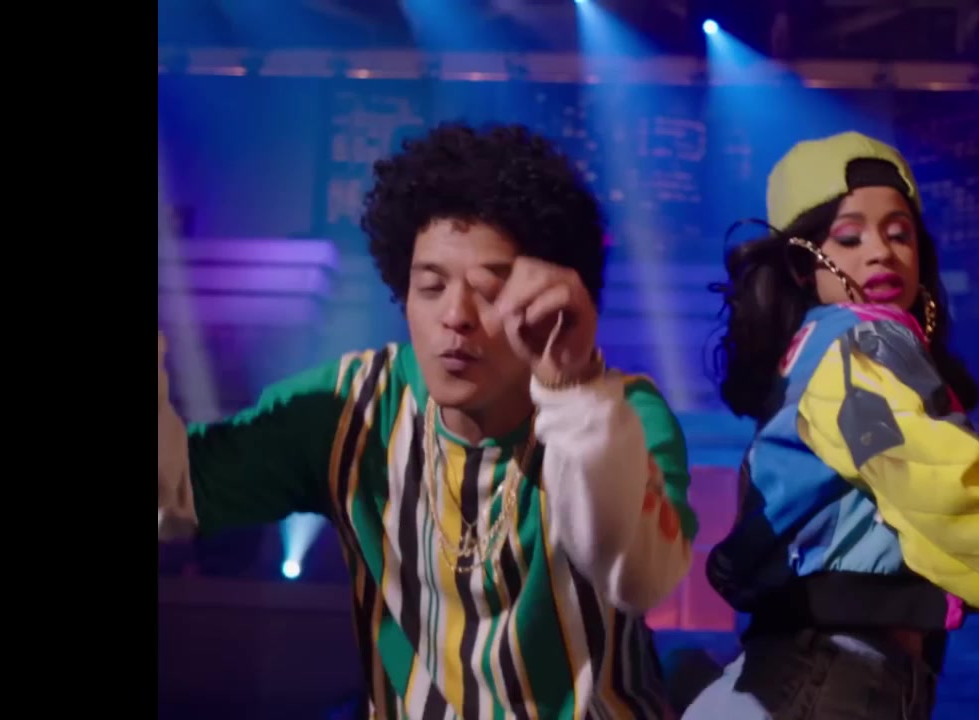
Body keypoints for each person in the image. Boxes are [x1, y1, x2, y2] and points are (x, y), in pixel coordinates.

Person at [157, 122, 699, 719]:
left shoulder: (618, 414)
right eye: (431, 286)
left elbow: (640, 578)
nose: (455, 316)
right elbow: (172, 498)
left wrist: (573, 393)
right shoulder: (353, 407)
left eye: (490, 290)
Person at [684, 131, 979, 720]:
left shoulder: (833, 356)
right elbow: (944, 505)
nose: (881, 253)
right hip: (830, 682)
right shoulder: (855, 352)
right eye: (849, 237)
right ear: (803, 263)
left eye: (899, 233)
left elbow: (920, 522)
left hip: (839, 678)